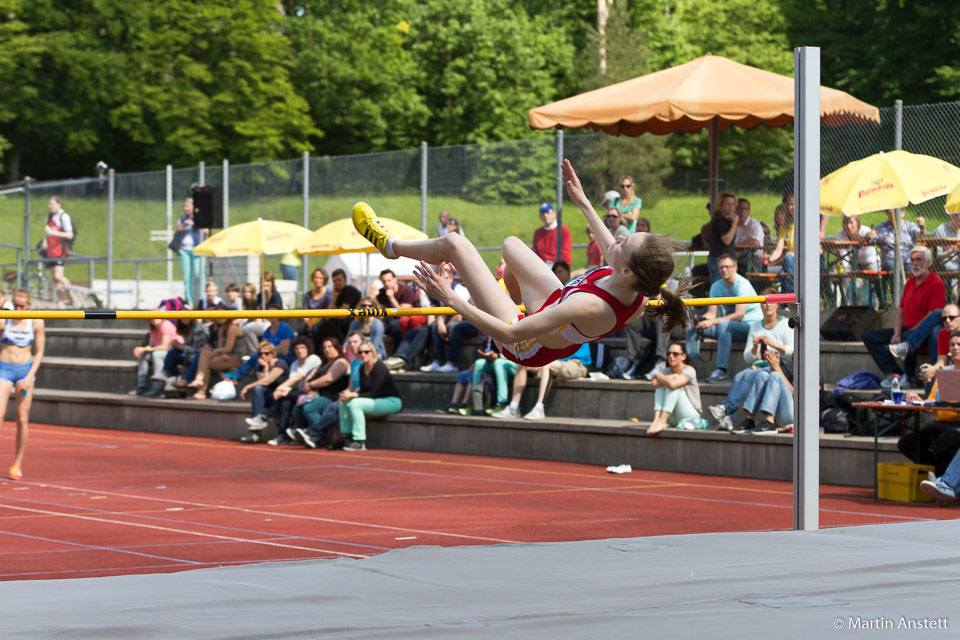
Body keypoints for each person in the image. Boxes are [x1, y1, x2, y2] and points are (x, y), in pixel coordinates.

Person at [352, 158, 690, 370]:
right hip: (552, 309)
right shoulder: (635, 284)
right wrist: (584, 202)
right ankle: (504, 299)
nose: (615, 237)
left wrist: (454, 299)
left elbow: (509, 332)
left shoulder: (589, 304)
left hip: (522, 343)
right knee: (512, 247)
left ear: (627, 270)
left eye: (623, 241)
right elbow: (610, 248)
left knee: (456, 244)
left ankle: (390, 247)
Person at [707, 289, 794, 432]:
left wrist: (773, 343)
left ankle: (727, 409)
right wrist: (754, 347)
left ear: (777, 304)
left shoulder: (786, 324)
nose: (767, 305)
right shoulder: (755, 326)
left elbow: (793, 352)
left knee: (755, 375)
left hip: (777, 365)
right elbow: (748, 358)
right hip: (758, 366)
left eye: (771, 302)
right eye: (764, 302)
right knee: (739, 376)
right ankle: (729, 414)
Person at [863, 246, 945, 388]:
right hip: (906, 330)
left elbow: (933, 314)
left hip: (921, 332)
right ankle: (897, 374)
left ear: (927, 262)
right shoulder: (909, 284)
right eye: (912, 260)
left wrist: (914, 330)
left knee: (911, 336)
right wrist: (896, 333)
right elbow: (900, 312)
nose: (914, 263)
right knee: (869, 336)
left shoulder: (936, 283)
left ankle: (909, 374)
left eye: (919, 260)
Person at [686, 254, 762, 382]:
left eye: (727, 267)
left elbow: (739, 315)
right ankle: (690, 369)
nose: (724, 270)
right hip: (727, 327)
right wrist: (701, 320)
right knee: (692, 327)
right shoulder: (716, 286)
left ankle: (721, 370)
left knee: (723, 325)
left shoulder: (742, 284)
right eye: (721, 267)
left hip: (749, 326)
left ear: (735, 267)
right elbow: (711, 313)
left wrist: (713, 321)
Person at [901, 332, 960, 496]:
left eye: (959, 345)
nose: (955, 348)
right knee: (907, 442)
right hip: (939, 421)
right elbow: (933, 404)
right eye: (953, 345)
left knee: (944, 442)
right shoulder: (945, 372)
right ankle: (941, 478)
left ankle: (945, 482)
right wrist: (920, 401)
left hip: (956, 423)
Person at [0, 290, 44, 480]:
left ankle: (17, 464)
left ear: (29, 305)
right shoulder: (5, 319)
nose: (18, 310)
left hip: (24, 371)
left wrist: (30, 376)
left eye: (22, 306)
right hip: (4, 369)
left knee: (22, 419)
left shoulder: (36, 322)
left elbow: (40, 352)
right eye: (16, 306)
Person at [491, 342, 590, 420]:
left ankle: (539, 408)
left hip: (577, 363)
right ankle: (513, 408)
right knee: (522, 363)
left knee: (548, 365)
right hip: (554, 361)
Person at [289, 335, 355, 448]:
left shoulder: (341, 361)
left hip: (333, 397)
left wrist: (312, 384)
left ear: (337, 348)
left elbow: (329, 379)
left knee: (310, 408)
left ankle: (319, 436)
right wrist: (310, 383)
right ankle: (306, 436)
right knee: (297, 408)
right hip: (319, 395)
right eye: (324, 347)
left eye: (330, 346)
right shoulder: (323, 364)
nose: (327, 349)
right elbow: (308, 379)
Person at [337, 339, 403, 451]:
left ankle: (359, 441)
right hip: (375, 401)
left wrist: (354, 395)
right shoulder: (362, 368)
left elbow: (374, 392)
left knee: (355, 403)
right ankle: (347, 436)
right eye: (360, 352)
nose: (363, 354)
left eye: (366, 352)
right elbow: (364, 389)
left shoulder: (379, 367)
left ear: (372, 352)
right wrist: (348, 394)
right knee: (343, 403)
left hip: (391, 401)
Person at [267, 337, 322, 445]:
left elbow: (298, 377)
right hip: (298, 393)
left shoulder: (313, 359)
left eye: (302, 347)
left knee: (284, 396)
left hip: (313, 394)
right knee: (285, 403)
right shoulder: (295, 364)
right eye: (296, 348)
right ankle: (283, 435)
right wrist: (284, 389)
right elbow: (292, 382)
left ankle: (267, 415)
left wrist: (280, 388)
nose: (299, 350)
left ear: (308, 349)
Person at [647, 343, 702, 436]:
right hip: (672, 417)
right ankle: (656, 419)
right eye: (669, 354)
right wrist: (673, 376)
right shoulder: (666, 370)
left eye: (675, 354)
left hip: (689, 416)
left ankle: (662, 421)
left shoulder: (689, 370)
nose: (671, 356)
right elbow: (654, 384)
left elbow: (672, 385)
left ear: (683, 356)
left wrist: (658, 374)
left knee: (672, 387)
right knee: (661, 387)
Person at [187, 313, 245, 399]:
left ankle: (201, 390)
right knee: (205, 354)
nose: (220, 317)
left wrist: (220, 352)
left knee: (206, 363)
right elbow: (220, 347)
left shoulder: (232, 328)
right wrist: (220, 352)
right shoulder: (221, 329)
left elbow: (228, 348)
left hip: (236, 357)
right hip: (225, 355)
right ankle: (199, 381)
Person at [240, 342, 290, 439]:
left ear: (272, 354)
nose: (263, 356)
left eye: (266, 353)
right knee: (258, 389)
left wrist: (247, 386)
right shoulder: (260, 366)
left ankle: (257, 430)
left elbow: (267, 381)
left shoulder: (280, 363)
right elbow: (262, 383)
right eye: (260, 354)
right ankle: (257, 425)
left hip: (280, 396)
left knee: (259, 389)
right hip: (268, 397)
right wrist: (266, 368)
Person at [311, 268, 361, 351]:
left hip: (352, 321)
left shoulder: (350, 291)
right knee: (317, 327)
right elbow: (328, 312)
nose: (337, 283)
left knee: (330, 322)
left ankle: (335, 349)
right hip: (338, 322)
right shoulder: (337, 293)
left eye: (339, 280)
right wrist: (334, 297)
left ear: (345, 280)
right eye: (334, 281)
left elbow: (342, 313)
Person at [835, 214, 880, 306]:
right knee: (843, 274)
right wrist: (843, 266)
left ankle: (875, 304)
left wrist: (866, 237)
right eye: (845, 223)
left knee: (875, 274)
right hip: (851, 262)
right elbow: (844, 256)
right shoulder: (841, 234)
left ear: (857, 223)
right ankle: (846, 304)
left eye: (851, 222)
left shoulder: (866, 231)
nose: (848, 226)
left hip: (869, 261)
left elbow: (871, 253)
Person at [376, 268, 424, 351]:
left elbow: (403, 313)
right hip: (388, 320)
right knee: (376, 324)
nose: (387, 283)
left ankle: (397, 353)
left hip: (405, 320)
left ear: (395, 279)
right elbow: (376, 306)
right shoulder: (382, 293)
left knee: (394, 324)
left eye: (389, 280)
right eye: (384, 281)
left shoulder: (406, 290)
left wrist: (391, 298)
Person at [131, 316, 179, 396]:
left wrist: (146, 349)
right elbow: (151, 345)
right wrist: (141, 349)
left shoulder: (166, 325)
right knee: (144, 356)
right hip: (160, 352)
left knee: (156, 355)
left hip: (172, 352)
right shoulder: (153, 327)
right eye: (152, 317)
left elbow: (164, 347)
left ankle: (157, 387)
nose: (154, 319)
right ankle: (141, 387)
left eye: (156, 317)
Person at [40, 195, 75, 305]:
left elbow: (70, 235)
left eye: (52, 204)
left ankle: (73, 296)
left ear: (59, 204)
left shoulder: (64, 217)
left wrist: (53, 233)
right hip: (51, 252)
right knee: (55, 280)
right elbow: (47, 232)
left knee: (58, 276)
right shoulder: (49, 217)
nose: (50, 206)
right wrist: (45, 241)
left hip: (60, 251)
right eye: (49, 204)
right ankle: (60, 304)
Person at [868, 208, 925, 274]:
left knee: (914, 267)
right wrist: (870, 235)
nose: (892, 215)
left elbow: (921, 235)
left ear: (903, 213)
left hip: (908, 259)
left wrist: (922, 226)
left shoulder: (910, 226)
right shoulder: (883, 227)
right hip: (890, 258)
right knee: (894, 268)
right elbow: (870, 236)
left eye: (895, 212)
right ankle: (898, 284)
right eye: (890, 213)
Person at [169, 197, 203, 305]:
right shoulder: (183, 218)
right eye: (185, 206)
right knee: (186, 277)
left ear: (193, 207)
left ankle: (202, 301)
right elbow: (176, 229)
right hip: (184, 250)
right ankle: (190, 301)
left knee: (199, 275)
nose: (185, 208)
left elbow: (206, 231)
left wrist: (195, 224)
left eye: (188, 206)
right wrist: (184, 225)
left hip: (197, 250)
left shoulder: (200, 218)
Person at [919, 304, 960, 387]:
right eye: (944, 319)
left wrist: (938, 370)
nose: (948, 321)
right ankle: (931, 400)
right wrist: (931, 370)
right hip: (953, 370)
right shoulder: (942, 334)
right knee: (930, 377)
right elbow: (941, 362)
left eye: (951, 317)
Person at [242, 272, 283, 354]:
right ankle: (255, 352)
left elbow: (276, 311)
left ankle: (263, 352)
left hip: (273, 323)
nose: (265, 283)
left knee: (264, 330)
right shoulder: (261, 295)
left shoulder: (275, 295)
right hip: (262, 322)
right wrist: (258, 317)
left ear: (272, 283)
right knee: (246, 329)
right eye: (264, 281)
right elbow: (257, 310)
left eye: (268, 281)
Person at [701, 192, 738, 284]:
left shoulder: (724, 219)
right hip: (720, 260)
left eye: (733, 204)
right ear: (720, 205)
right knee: (720, 287)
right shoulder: (720, 220)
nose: (731, 207)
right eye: (727, 204)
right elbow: (726, 240)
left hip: (722, 259)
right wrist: (735, 224)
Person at [766, 196, 795, 293]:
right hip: (791, 263)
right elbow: (779, 250)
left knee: (787, 259)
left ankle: (790, 299)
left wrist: (791, 255)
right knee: (783, 273)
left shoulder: (806, 222)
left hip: (804, 260)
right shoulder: (784, 227)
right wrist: (768, 260)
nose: (793, 207)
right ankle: (787, 303)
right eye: (791, 204)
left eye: (795, 204)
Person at [531, 202, 572, 267]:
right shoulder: (537, 233)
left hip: (560, 266)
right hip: (542, 267)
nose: (545, 215)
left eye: (547, 212)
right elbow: (535, 252)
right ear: (540, 216)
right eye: (542, 213)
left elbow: (565, 252)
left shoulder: (563, 230)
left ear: (554, 214)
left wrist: (552, 264)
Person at [300, 268, 332, 337]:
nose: (317, 280)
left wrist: (313, 325)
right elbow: (305, 313)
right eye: (316, 277)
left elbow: (326, 312)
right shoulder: (308, 295)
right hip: (309, 322)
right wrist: (309, 324)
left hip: (322, 322)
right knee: (301, 330)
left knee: (316, 329)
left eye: (320, 278)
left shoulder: (329, 294)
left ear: (324, 280)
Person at [733, 198, 764, 268]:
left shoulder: (754, 224)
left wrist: (736, 247)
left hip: (750, 262)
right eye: (740, 209)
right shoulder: (731, 224)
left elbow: (755, 243)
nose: (742, 212)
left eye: (745, 209)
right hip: (733, 260)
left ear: (749, 211)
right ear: (735, 210)